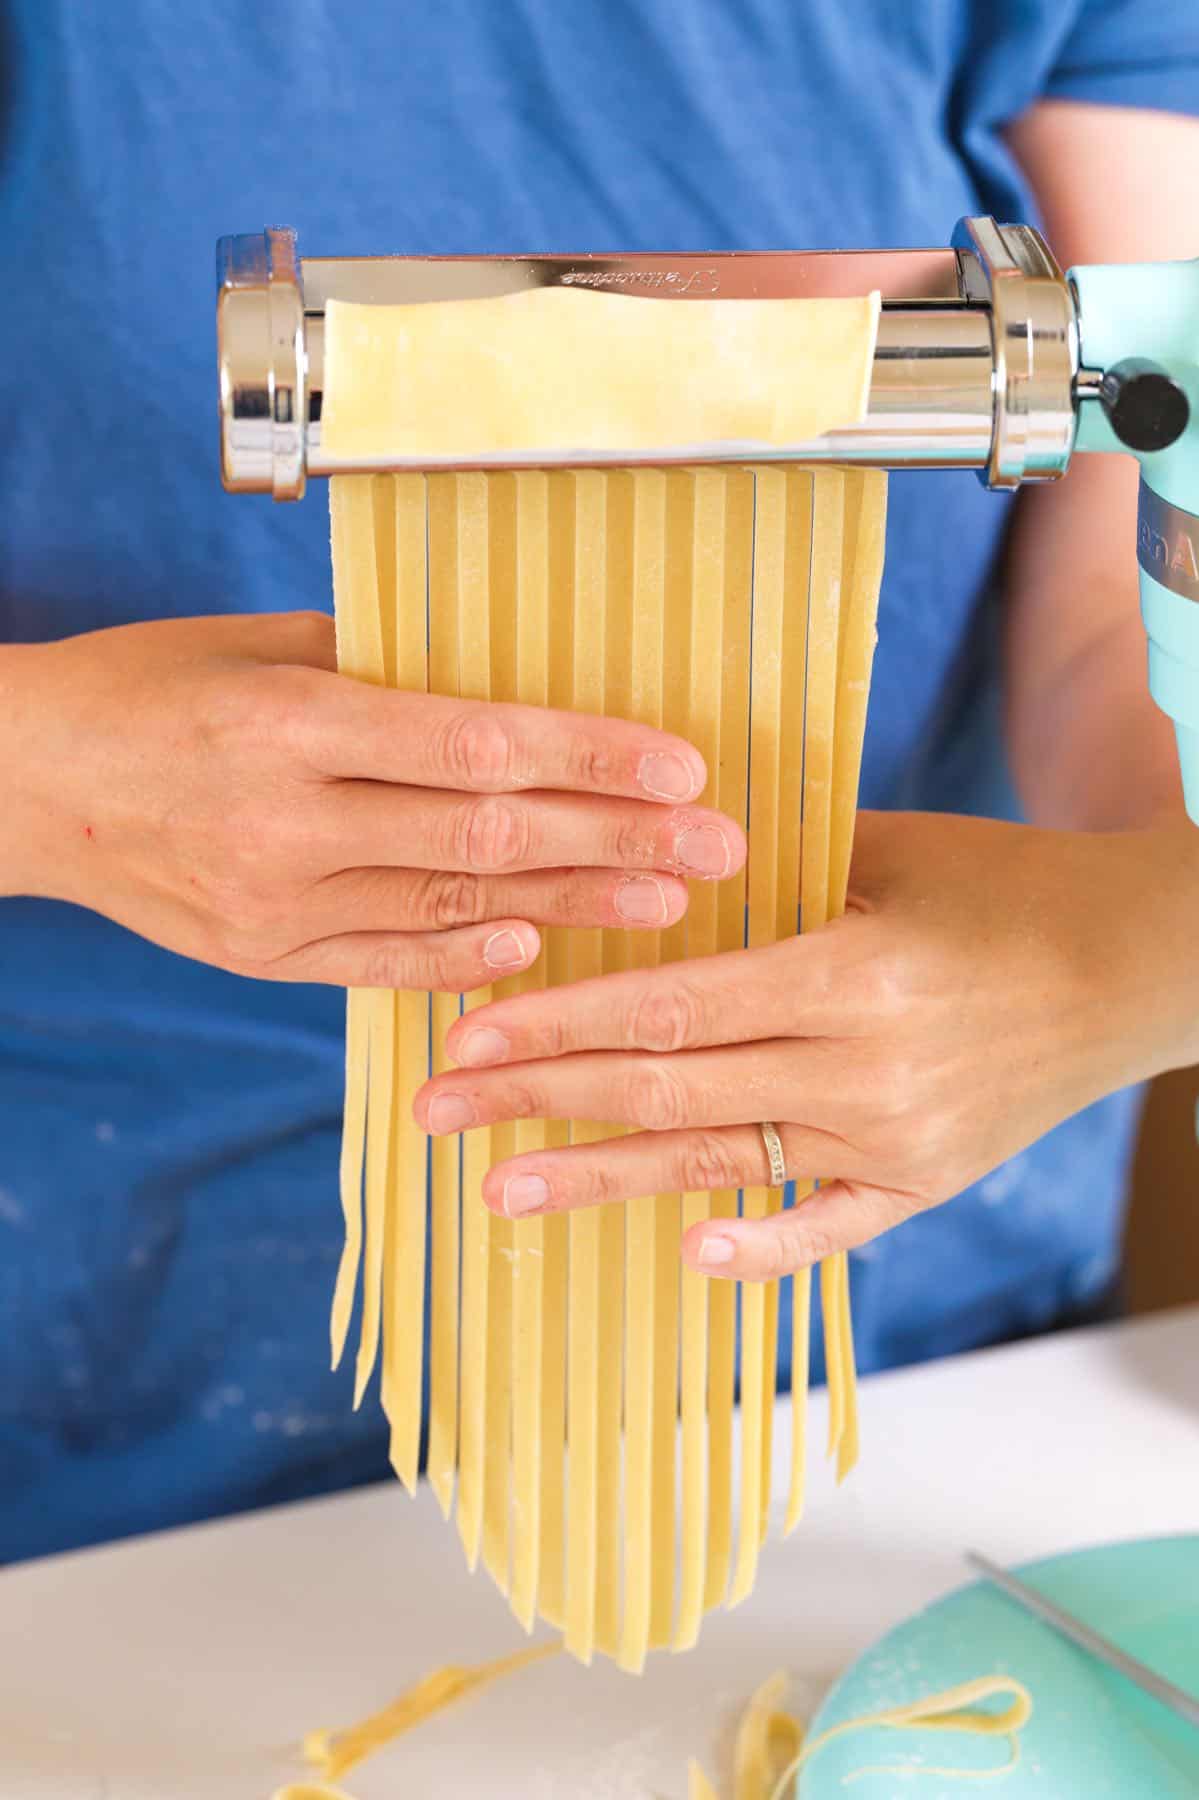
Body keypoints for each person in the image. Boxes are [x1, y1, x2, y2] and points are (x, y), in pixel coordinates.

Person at [2, 2, 1197, 1566]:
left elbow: (1129, 550)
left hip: (905, 1369)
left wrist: (1131, 949)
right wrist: (35, 770)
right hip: (100, 1388)